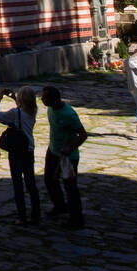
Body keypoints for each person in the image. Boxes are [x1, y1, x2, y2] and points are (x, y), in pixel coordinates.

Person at [40, 85, 87, 229]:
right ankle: (60, 206)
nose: (41, 99)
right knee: (49, 180)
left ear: (53, 99)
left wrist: (70, 148)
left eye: (44, 97)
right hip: (53, 151)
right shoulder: (50, 109)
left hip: (68, 157)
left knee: (70, 187)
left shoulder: (69, 114)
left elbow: (83, 134)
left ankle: (76, 218)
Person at [0, 86, 40, 227]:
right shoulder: (32, 112)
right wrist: (14, 98)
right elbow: (21, 112)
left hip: (16, 151)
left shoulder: (15, 113)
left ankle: (22, 216)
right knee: (31, 183)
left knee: (18, 184)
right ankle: (36, 214)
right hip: (29, 149)